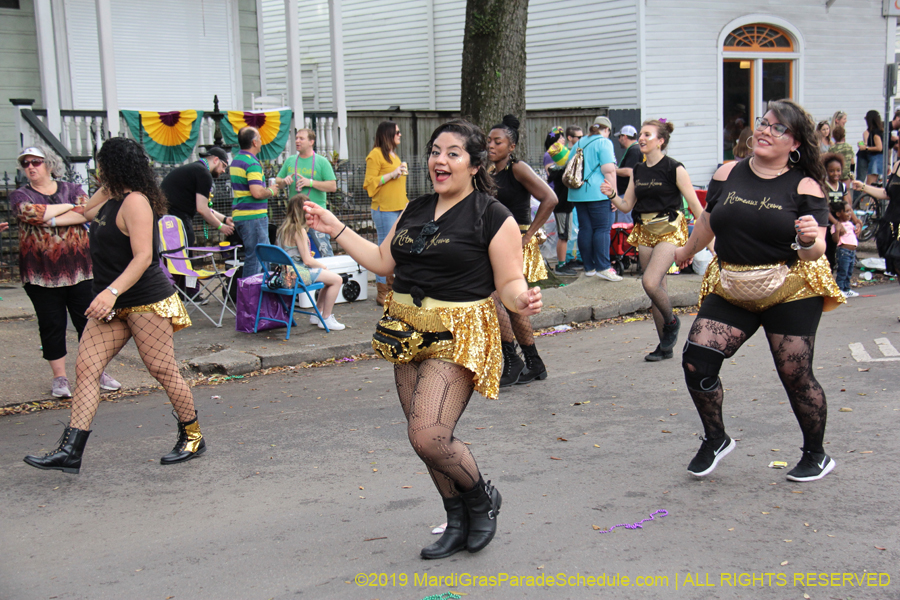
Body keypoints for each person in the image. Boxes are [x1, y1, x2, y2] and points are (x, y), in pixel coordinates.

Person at [303, 119, 542, 560]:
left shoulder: (492, 215)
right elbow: (380, 261)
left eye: (453, 153)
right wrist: (334, 225)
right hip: (407, 330)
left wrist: (522, 300)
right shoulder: (414, 209)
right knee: (424, 436)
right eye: (435, 151)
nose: (440, 160)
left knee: (429, 434)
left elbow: (508, 282)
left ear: (474, 164)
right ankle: (456, 520)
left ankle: (483, 499)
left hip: (459, 332)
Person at [674, 99, 844, 483]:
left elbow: (816, 248)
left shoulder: (805, 185)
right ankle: (716, 439)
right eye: (763, 123)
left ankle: (815, 455)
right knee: (696, 360)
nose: (766, 131)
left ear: (795, 143)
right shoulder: (728, 173)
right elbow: (708, 219)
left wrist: (807, 239)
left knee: (795, 374)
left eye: (779, 128)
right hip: (734, 284)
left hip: (790, 287)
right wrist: (686, 251)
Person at [24, 137, 203, 475]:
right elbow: (83, 212)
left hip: (144, 300)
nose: (97, 169)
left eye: (101, 163)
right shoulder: (111, 198)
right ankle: (71, 450)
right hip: (115, 300)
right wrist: (106, 186)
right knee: (87, 368)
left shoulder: (136, 202)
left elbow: (144, 257)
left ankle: (192, 436)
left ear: (113, 165)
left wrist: (110, 292)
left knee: (162, 370)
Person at [9, 145, 121, 399]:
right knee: (51, 325)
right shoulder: (19, 195)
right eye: (26, 163)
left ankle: (97, 371)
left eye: (35, 162)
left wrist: (50, 217)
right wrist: (66, 209)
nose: (30, 167)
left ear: (48, 163)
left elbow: (85, 212)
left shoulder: (72, 189)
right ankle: (60, 378)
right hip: (41, 274)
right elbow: (31, 213)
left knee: (90, 323)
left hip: (79, 271)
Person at [602, 120, 704, 362]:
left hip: (670, 229)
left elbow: (697, 208)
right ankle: (665, 346)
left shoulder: (674, 168)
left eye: (648, 135)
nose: (642, 138)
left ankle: (672, 322)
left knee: (649, 282)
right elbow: (627, 205)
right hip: (645, 230)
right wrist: (612, 195)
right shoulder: (638, 170)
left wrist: (708, 241)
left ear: (661, 141)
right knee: (658, 289)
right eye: (641, 134)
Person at [488, 115, 557, 387]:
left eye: (498, 141)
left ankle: (517, 360)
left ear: (512, 146)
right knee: (508, 303)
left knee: (504, 301)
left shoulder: (518, 169)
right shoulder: (491, 171)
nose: (491, 145)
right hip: (495, 242)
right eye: (489, 140)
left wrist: (527, 235)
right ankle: (532, 363)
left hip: (512, 242)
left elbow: (550, 199)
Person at [275, 194, 346, 331]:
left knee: (328, 280)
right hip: (296, 275)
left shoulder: (282, 229)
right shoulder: (299, 230)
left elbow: (289, 255)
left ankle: (317, 314)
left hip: (284, 275)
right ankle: (326, 317)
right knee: (336, 280)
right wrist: (323, 266)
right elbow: (307, 261)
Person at [567, 116, 621, 281]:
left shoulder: (578, 143)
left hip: (578, 193)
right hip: (599, 192)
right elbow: (609, 170)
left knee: (585, 228)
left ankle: (589, 267)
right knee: (602, 228)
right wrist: (614, 195)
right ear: (607, 130)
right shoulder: (604, 142)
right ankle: (604, 267)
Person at [363, 121, 409, 305]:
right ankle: (382, 292)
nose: (400, 135)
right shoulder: (375, 155)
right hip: (384, 209)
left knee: (397, 248)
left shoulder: (393, 156)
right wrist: (392, 174)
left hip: (399, 207)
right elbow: (369, 183)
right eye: (397, 132)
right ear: (388, 134)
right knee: (385, 249)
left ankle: (393, 288)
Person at [275, 128, 337, 258]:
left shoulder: (322, 161)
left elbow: (332, 186)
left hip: (315, 217)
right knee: (297, 255)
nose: (297, 141)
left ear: (311, 142)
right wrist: (284, 181)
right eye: (296, 138)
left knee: (322, 253)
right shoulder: (290, 160)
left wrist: (310, 183)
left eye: (301, 138)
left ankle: (326, 278)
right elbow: (277, 181)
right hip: (295, 217)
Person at [161, 146, 234, 245]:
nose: (224, 171)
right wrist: (221, 226)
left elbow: (205, 207)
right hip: (177, 220)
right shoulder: (203, 174)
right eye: (224, 166)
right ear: (216, 160)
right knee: (187, 247)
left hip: (167, 219)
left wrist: (225, 219)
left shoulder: (196, 169)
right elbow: (202, 209)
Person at [231, 126, 277, 277]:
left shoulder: (237, 160)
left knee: (256, 255)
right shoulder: (252, 163)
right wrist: (271, 190)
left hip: (241, 215)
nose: (262, 141)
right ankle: (251, 296)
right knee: (258, 257)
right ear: (254, 142)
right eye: (259, 138)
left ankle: (256, 294)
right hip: (253, 217)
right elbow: (257, 193)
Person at [852, 161, 900, 279]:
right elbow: (887, 193)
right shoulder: (897, 165)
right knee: (897, 266)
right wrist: (863, 187)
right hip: (892, 224)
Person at [543, 127, 576, 275]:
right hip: (562, 204)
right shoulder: (559, 171)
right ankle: (561, 264)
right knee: (563, 235)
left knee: (565, 235)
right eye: (560, 138)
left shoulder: (559, 170)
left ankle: (564, 262)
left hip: (564, 204)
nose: (563, 140)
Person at [821, 153, 858, 270]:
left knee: (844, 251)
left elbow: (847, 206)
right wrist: (835, 223)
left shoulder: (842, 186)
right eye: (832, 171)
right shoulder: (824, 186)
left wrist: (856, 221)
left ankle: (842, 282)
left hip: (841, 222)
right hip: (828, 223)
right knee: (828, 252)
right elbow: (824, 208)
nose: (835, 173)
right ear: (826, 171)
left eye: (838, 170)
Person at [830, 201, 858, 298]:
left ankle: (847, 288)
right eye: (846, 211)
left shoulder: (850, 224)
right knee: (843, 271)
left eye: (850, 211)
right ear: (838, 214)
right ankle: (839, 289)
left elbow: (854, 234)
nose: (849, 213)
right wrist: (837, 231)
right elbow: (835, 239)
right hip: (844, 251)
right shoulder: (836, 226)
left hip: (852, 251)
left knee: (849, 271)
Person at [614, 124, 641, 222]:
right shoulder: (634, 149)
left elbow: (630, 171)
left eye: (619, 137)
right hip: (626, 193)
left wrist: (613, 169)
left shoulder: (634, 150)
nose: (618, 140)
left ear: (624, 136)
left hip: (626, 194)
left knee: (624, 224)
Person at [861, 110, 884, 186]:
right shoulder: (879, 131)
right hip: (877, 159)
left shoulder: (875, 133)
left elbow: (879, 147)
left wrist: (866, 148)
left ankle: (871, 197)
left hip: (875, 159)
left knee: (870, 183)